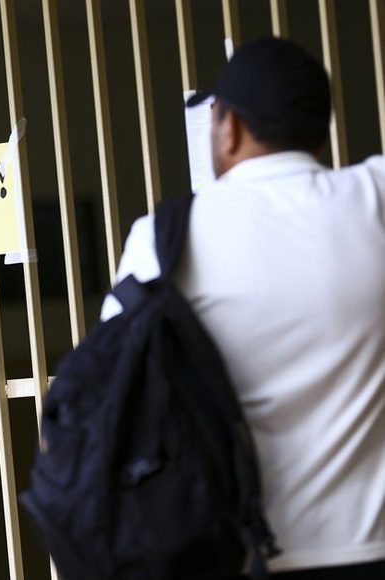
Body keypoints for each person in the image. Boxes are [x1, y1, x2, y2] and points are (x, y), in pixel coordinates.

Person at [100, 37, 385, 578]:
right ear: (320, 134)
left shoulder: (165, 238)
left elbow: (119, 389)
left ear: (227, 127)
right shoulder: (374, 200)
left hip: (235, 551)